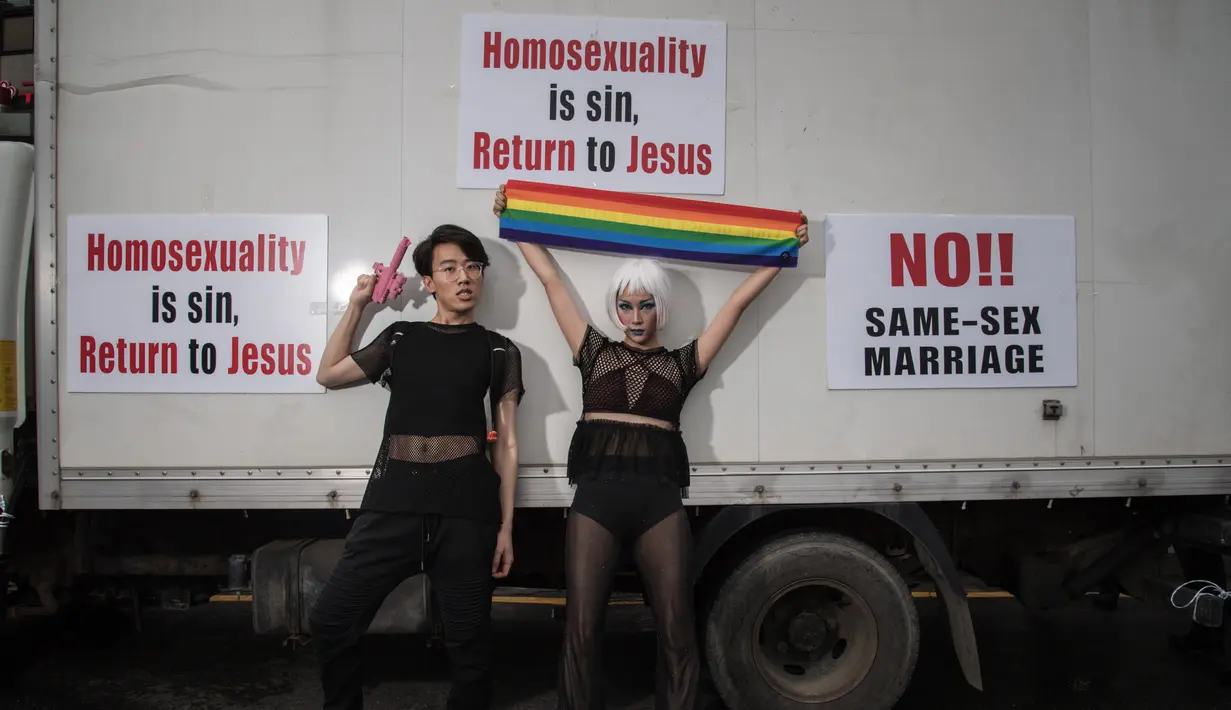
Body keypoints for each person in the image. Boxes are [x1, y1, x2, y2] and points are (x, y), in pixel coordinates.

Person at [492, 185, 809, 709]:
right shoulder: (592, 350)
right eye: (626, 306)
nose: (635, 317)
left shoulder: (685, 362)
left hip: (659, 506)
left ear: (660, 308)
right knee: (581, 630)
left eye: (645, 306)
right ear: (615, 308)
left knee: (677, 631)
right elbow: (550, 279)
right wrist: (517, 219)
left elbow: (737, 301)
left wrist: (782, 252)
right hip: (595, 502)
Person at [308, 224, 524, 710]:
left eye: (473, 267)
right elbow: (328, 373)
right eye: (449, 268)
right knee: (331, 620)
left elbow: (507, 444)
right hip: (394, 505)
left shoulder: (498, 349)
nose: (464, 277)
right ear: (428, 281)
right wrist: (359, 305)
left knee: (470, 648)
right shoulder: (400, 337)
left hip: (466, 512)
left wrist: (507, 527)